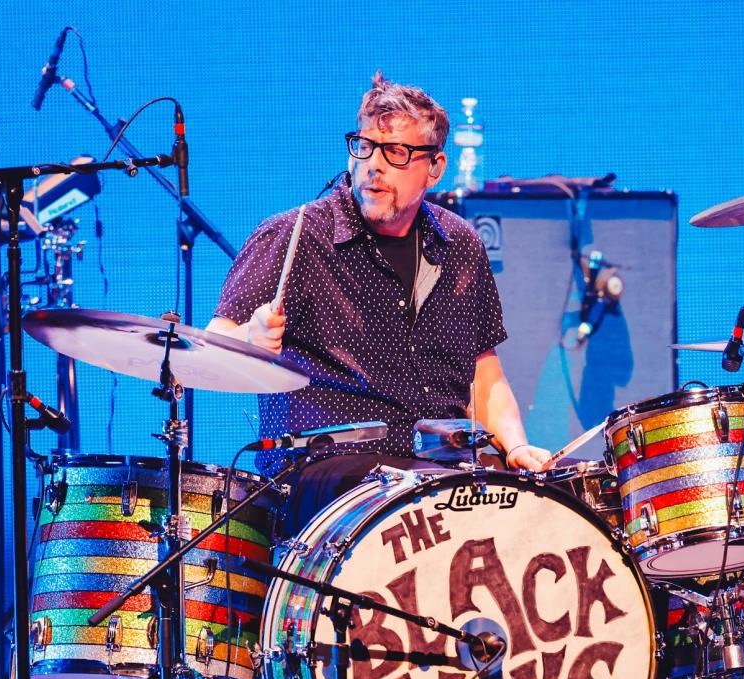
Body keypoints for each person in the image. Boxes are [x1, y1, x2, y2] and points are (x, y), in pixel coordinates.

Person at [208, 73, 549, 530]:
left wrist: (516, 446)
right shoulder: (297, 235)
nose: (374, 165)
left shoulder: (460, 245)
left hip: (439, 464)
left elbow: (483, 371)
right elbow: (214, 344)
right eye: (365, 147)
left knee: (542, 508)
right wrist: (250, 338)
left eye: (397, 153)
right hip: (326, 471)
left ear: (435, 167)